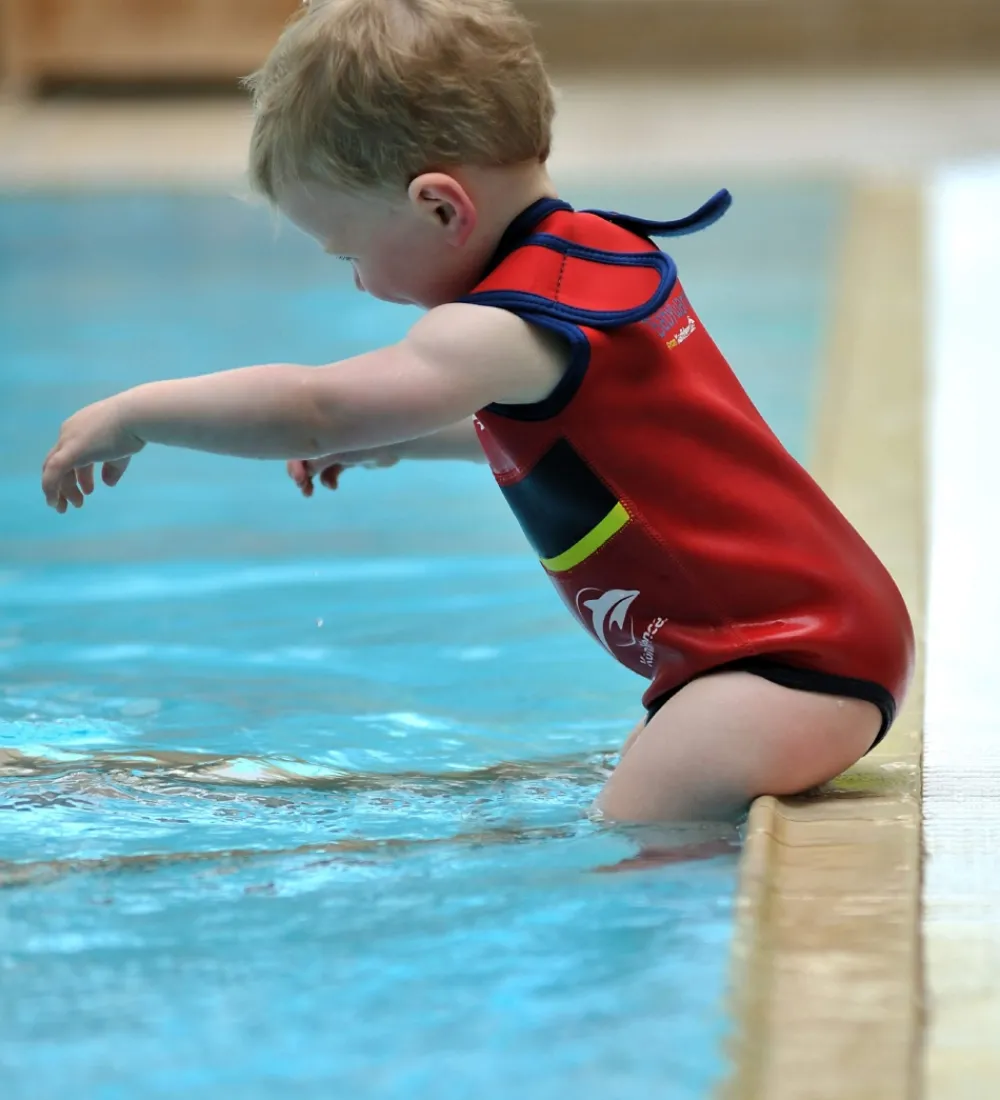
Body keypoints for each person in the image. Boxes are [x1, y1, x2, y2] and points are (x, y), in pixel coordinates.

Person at [40, 0, 913, 830]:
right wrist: (398, 444)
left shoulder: (499, 329)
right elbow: (574, 443)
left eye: (349, 252)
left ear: (439, 207)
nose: (359, 282)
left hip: (785, 669)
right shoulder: (594, 255)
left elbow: (315, 408)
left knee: (631, 831)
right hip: (810, 650)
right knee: (636, 793)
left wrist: (138, 413)